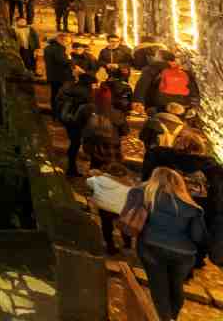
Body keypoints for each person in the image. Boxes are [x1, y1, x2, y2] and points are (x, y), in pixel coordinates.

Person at [126, 167, 207, 321]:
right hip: (183, 255)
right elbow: (198, 236)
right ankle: (172, 318)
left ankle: (165, 318)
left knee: (159, 287)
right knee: (176, 287)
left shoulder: (145, 193)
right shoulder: (193, 208)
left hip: (151, 247)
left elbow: (129, 216)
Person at [142, 129, 223, 270]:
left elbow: (146, 182)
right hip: (192, 230)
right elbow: (216, 202)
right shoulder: (211, 170)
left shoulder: (159, 159)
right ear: (200, 149)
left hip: (159, 226)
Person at [87, 163, 138, 255]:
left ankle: (110, 246)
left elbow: (88, 182)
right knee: (124, 227)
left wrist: (98, 175)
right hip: (120, 209)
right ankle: (127, 244)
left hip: (104, 207)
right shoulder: (128, 186)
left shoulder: (99, 179)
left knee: (106, 226)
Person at [56, 71, 96, 177]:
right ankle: (71, 169)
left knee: (74, 143)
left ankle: (71, 167)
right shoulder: (85, 93)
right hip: (77, 122)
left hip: (67, 119)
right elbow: (87, 110)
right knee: (75, 144)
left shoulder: (69, 88)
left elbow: (58, 100)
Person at [44, 33, 74, 110]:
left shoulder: (48, 48)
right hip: (60, 76)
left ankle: (54, 113)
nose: (67, 43)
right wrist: (70, 58)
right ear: (60, 40)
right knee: (59, 95)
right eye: (67, 41)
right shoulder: (59, 48)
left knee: (54, 94)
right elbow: (63, 61)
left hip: (51, 75)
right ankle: (57, 112)